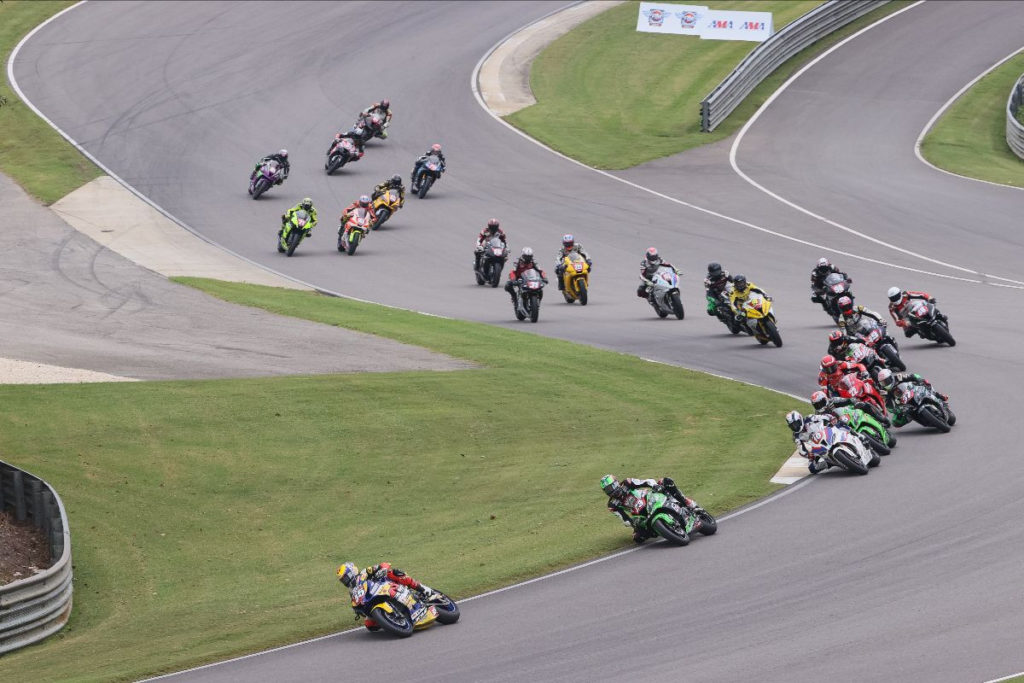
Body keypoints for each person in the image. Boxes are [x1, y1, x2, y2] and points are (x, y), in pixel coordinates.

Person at [600, 474, 700, 544]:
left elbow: (647, 481)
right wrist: (631, 523)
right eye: (608, 490)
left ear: (616, 483)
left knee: (665, 481)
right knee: (637, 538)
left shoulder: (627, 482)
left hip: (649, 498)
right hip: (639, 514)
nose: (611, 491)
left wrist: (655, 486)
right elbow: (624, 518)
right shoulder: (612, 505)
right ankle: (664, 530)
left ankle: (686, 502)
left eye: (611, 487)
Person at [337, 561, 437, 631]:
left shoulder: (364, 573)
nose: (345, 581)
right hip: (373, 601)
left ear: (352, 572)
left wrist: (382, 569)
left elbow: (383, 565)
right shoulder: (352, 593)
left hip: (386, 587)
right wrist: (358, 610)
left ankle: (424, 590)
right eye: (343, 580)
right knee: (369, 625)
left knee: (394, 573)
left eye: (346, 577)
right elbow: (357, 606)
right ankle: (392, 621)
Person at [876, 369, 949, 428]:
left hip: (913, 391)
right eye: (883, 383)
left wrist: (919, 380)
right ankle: (914, 417)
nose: (885, 384)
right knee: (895, 422)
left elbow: (914, 376)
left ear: (891, 377)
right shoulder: (884, 392)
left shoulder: (899, 377)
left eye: (886, 381)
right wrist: (897, 410)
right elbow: (888, 406)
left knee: (926, 384)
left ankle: (938, 395)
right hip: (903, 404)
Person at [810, 389, 892, 436]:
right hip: (839, 428)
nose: (820, 406)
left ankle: (881, 418)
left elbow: (847, 400)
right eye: (817, 405)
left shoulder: (833, 400)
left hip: (848, 414)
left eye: (821, 403)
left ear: (826, 399)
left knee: (864, 405)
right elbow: (820, 428)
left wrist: (854, 401)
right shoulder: (818, 415)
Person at [786, 410, 838, 474]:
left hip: (827, 433)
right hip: (817, 446)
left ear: (800, 419)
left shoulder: (809, 418)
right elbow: (801, 449)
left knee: (841, 423)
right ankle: (830, 462)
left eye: (796, 424)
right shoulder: (796, 436)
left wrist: (831, 418)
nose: (795, 427)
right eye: (792, 426)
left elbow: (822, 417)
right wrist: (808, 455)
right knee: (812, 468)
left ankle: (852, 433)